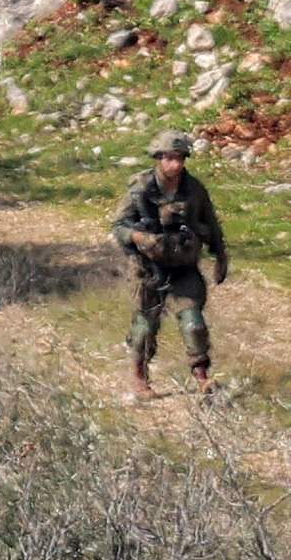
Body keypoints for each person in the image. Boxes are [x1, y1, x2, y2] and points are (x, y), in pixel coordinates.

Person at [111, 130, 229, 399]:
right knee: (145, 326)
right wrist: (140, 237)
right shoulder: (140, 188)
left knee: (193, 322)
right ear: (158, 158)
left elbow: (211, 223)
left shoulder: (194, 189)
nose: (174, 164)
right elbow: (119, 227)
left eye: (179, 158)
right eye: (168, 158)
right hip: (148, 269)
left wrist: (220, 256)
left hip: (183, 266)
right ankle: (140, 377)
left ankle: (201, 375)